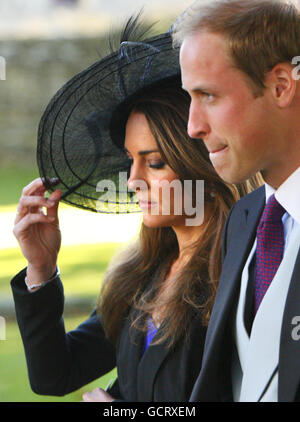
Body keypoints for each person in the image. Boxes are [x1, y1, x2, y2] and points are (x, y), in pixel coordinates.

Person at [11, 16, 260, 402]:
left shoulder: (243, 275)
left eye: (154, 162)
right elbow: (55, 376)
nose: (132, 181)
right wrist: (41, 269)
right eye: (130, 161)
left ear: (203, 164)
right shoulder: (142, 272)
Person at [172, 0, 300, 402]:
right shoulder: (245, 219)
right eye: (189, 98)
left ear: (281, 85)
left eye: (207, 95)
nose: (193, 126)